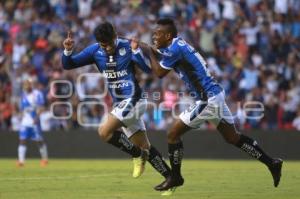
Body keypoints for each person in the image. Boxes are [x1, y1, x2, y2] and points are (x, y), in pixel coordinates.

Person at [131, 18, 283, 192]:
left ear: (167, 35)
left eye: (157, 33)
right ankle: (272, 163)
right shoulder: (177, 45)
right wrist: (144, 49)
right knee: (233, 138)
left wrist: (149, 51)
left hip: (208, 99)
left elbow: (158, 73)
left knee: (173, 134)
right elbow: (160, 56)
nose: (154, 36)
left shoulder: (174, 49)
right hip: (215, 94)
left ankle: (175, 177)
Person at [62, 22, 172, 181]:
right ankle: (171, 178)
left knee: (104, 131)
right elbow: (68, 64)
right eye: (103, 45)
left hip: (134, 100)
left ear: (115, 36)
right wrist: (68, 50)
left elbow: (147, 70)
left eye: (109, 44)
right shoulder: (95, 50)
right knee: (145, 146)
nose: (106, 48)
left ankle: (137, 155)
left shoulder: (128, 46)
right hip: (121, 105)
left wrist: (136, 51)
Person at [17, 79, 48, 167]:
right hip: (25, 121)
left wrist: (37, 118)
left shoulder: (37, 94)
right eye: (25, 86)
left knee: (39, 141)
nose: (26, 88)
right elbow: (23, 109)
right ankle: (21, 161)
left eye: (27, 86)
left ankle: (44, 158)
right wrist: (21, 115)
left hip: (34, 121)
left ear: (31, 86)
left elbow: (41, 107)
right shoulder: (23, 95)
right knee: (22, 140)